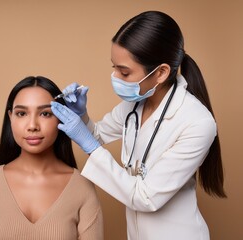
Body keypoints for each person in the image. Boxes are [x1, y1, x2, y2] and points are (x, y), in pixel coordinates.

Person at [51, 11, 226, 240]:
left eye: (124, 72)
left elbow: (146, 197)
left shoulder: (197, 123)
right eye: (114, 67)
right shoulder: (135, 105)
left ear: (161, 72)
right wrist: (82, 115)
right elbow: (97, 134)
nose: (115, 76)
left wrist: (90, 146)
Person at [0, 76, 104, 240]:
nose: (32, 126)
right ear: (10, 117)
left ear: (61, 117)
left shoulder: (82, 187)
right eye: (21, 113)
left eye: (45, 113)